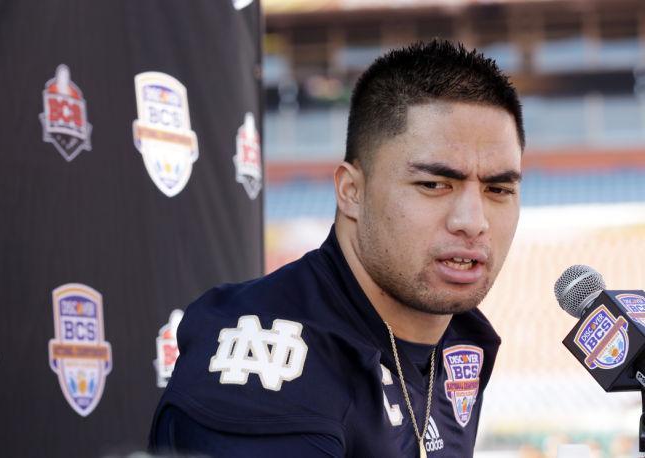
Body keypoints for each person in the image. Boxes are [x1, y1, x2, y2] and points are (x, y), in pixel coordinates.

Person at [149, 39, 524, 457]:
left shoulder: (460, 336)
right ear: (351, 192)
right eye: (434, 185)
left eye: (498, 188)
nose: (473, 221)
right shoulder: (268, 368)